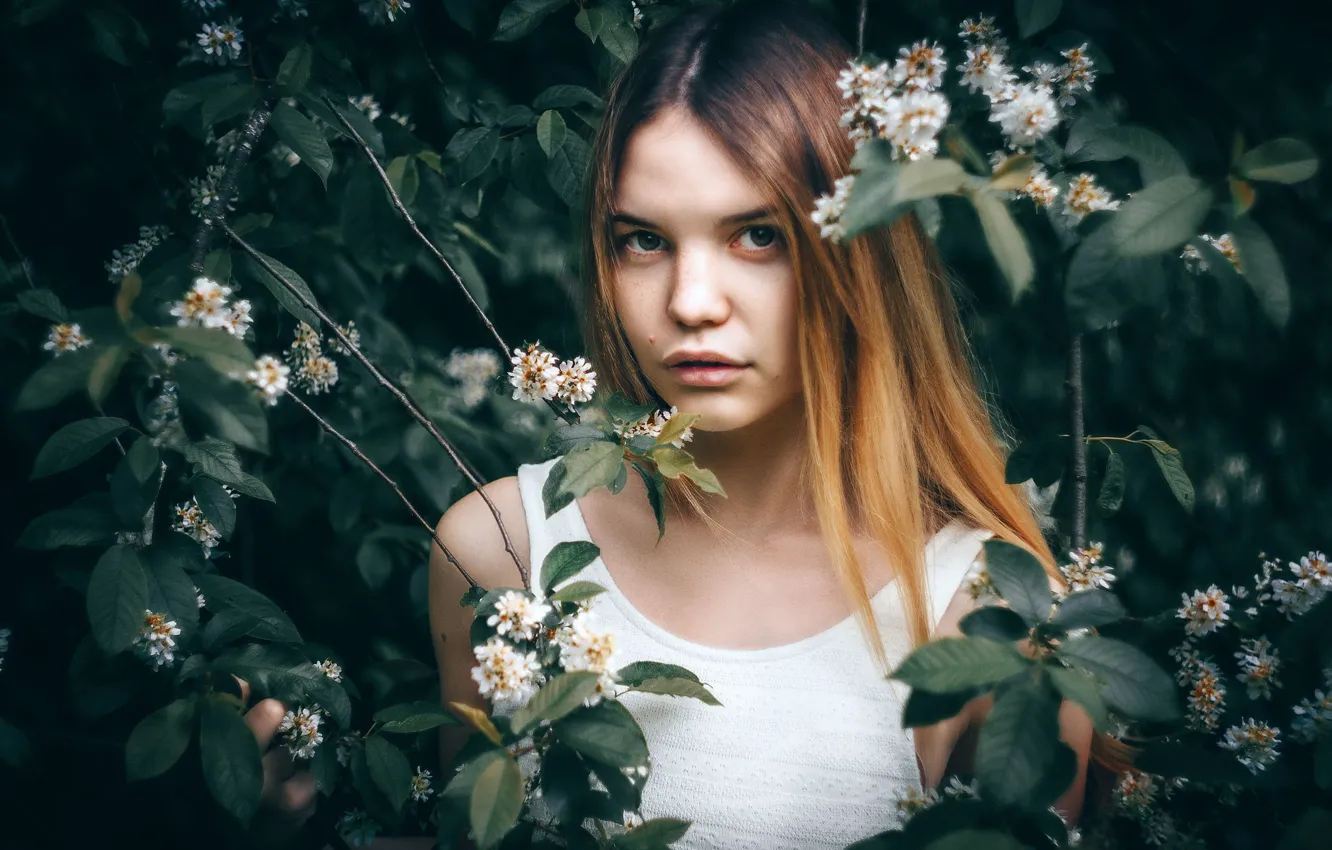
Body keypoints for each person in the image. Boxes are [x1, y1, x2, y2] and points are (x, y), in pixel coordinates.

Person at [246, 1, 1101, 847]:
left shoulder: (989, 613)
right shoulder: (499, 551)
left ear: (858, 250)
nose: (691, 303)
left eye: (758, 235)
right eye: (644, 241)